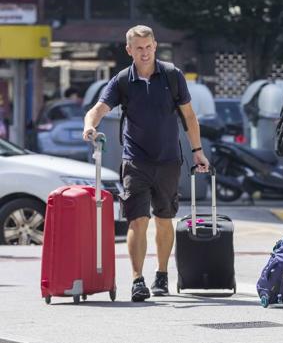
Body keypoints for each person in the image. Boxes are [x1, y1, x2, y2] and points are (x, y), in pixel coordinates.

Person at [82, 25, 210, 302]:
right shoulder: (122, 81)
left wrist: (197, 151)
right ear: (129, 50)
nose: (144, 52)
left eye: (148, 47)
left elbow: (189, 117)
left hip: (168, 161)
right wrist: (90, 126)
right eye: (138, 48)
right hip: (135, 161)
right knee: (137, 221)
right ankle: (138, 279)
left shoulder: (173, 76)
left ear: (155, 45)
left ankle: (161, 273)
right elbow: (98, 109)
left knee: (165, 220)